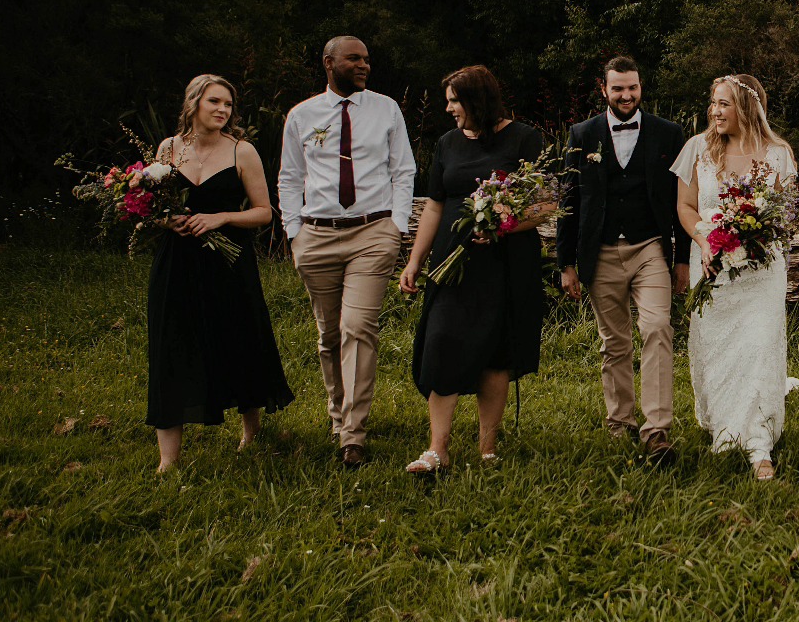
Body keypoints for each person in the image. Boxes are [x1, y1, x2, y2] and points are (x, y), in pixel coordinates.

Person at [399, 66, 551, 473]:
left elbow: (546, 202)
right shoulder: (448, 143)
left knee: (496, 354)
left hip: (506, 262)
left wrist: (505, 226)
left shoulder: (523, 137)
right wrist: (415, 260)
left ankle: (487, 448)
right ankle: (437, 449)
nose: (449, 108)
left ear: (478, 99)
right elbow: (433, 204)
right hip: (452, 262)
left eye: (454, 100)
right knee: (441, 341)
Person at [279, 37, 416, 468]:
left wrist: (395, 226)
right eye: (355, 59)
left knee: (357, 326)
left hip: (372, 233)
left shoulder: (386, 109)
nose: (364, 66)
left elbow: (403, 170)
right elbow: (289, 176)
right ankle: (337, 414)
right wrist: (294, 232)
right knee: (329, 335)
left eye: (367, 60)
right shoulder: (302, 116)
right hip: (316, 237)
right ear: (329, 62)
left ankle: (353, 434)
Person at [148, 75, 294, 473]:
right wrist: (168, 220)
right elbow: (150, 207)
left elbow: (265, 212)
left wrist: (221, 217)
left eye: (228, 104)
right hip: (176, 263)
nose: (222, 110)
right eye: (214, 101)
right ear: (193, 103)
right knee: (172, 347)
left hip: (228, 263)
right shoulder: (167, 148)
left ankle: (251, 429)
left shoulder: (241, 152)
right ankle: (167, 459)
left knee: (239, 339)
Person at [558, 56, 690, 460]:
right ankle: (620, 423)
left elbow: (681, 200)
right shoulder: (582, 134)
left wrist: (682, 260)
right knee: (614, 343)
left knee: (657, 329)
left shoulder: (670, 134)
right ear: (604, 90)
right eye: (618, 89)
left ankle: (656, 431)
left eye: (632, 87)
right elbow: (569, 200)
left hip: (650, 246)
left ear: (641, 86)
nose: (626, 95)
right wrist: (566, 263)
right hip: (599, 252)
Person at [672, 74, 796, 481]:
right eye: (713, 102)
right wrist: (707, 239)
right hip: (711, 267)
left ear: (747, 108)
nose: (714, 111)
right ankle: (725, 429)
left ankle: (759, 443)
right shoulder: (697, 149)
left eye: (723, 103)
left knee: (758, 347)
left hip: (761, 272)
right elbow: (687, 207)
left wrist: (753, 231)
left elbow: (784, 216)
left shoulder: (777, 154)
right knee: (717, 350)